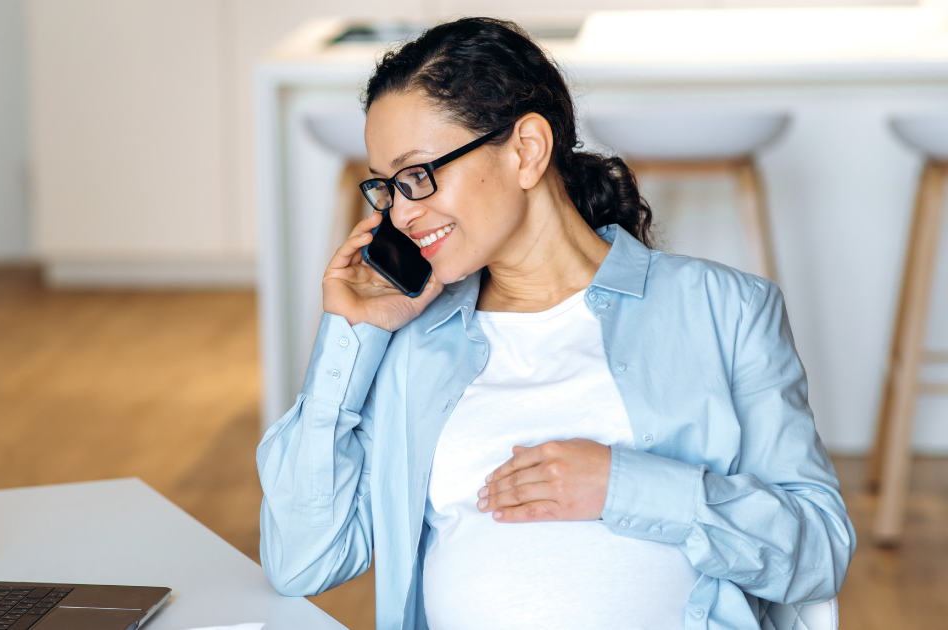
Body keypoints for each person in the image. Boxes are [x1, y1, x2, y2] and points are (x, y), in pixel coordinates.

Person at [256, 18, 856, 630]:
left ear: (527, 150)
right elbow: (303, 560)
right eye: (388, 187)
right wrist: (350, 336)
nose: (403, 214)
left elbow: (819, 551)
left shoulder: (725, 309)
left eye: (418, 176)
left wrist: (624, 486)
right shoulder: (409, 343)